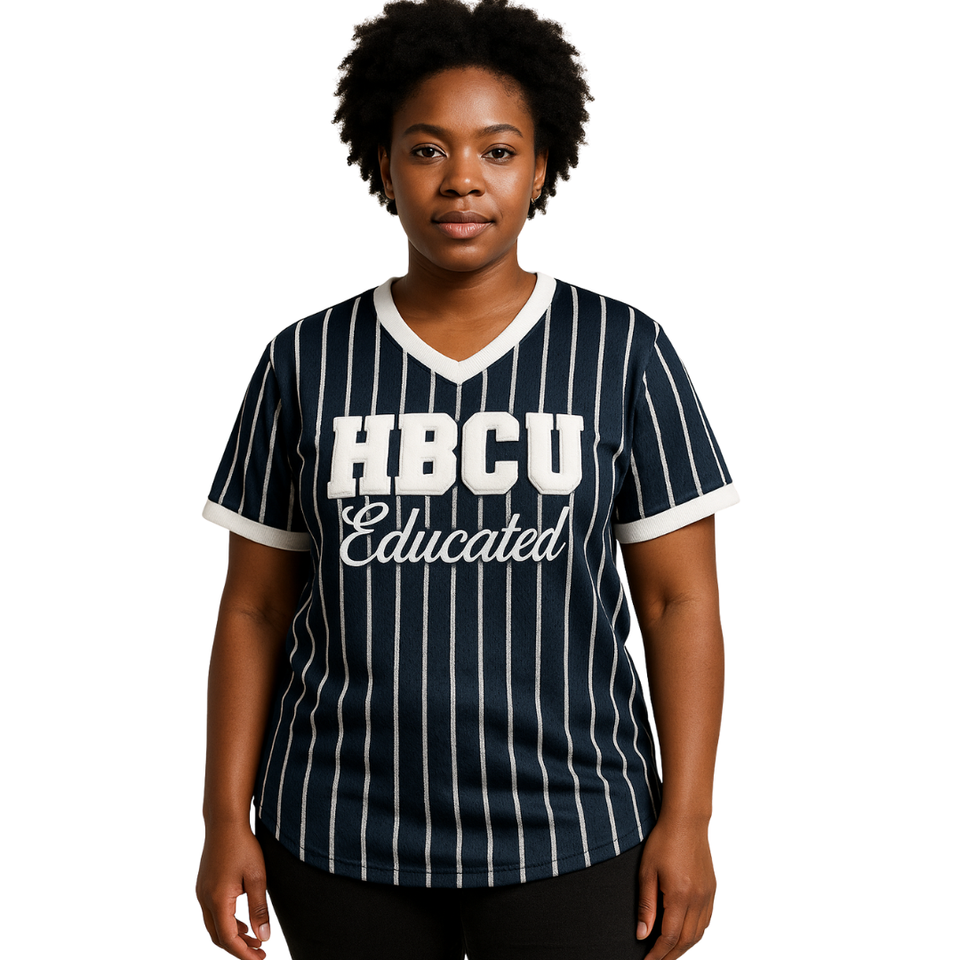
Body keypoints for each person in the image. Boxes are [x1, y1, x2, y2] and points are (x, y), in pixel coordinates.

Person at [195, 1, 739, 958]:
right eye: (426, 149)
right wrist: (222, 819)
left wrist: (687, 819)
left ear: (542, 167)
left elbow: (677, 601)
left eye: (497, 151)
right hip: (336, 825)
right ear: (382, 164)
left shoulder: (621, 351)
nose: (461, 180)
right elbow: (254, 608)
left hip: (575, 822)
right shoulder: (305, 360)